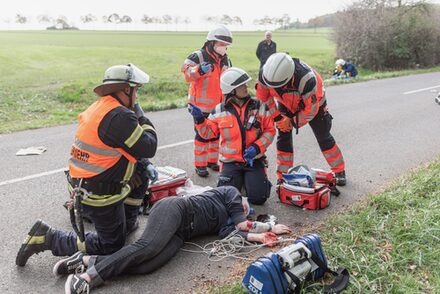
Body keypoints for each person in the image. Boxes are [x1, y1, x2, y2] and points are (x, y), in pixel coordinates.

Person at [16, 64, 159, 267]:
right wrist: (142, 117)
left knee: (141, 172)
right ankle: (48, 237)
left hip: (86, 183)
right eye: (136, 90)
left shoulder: (103, 107)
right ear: (126, 89)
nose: (137, 96)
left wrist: (143, 164)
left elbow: (126, 148)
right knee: (110, 246)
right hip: (97, 194)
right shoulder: (121, 116)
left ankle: (127, 223)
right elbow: (148, 146)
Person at [61, 186, 291, 293]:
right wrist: (268, 225)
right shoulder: (231, 194)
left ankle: (88, 260)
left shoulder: (229, 222)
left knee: (147, 266)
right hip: (177, 209)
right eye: (246, 209)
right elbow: (242, 224)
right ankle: (86, 278)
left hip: (182, 233)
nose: (245, 211)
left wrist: (262, 236)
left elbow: (235, 233)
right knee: (147, 247)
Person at [256, 53, 346, 186]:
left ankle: (339, 171)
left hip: (315, 104)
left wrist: (291, 123)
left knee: (323, 136)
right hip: (286, 102)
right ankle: (283, 176)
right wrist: (279, 118)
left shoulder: (307, 80)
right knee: (283, 137)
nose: (274, 88)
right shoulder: (265, 75)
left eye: (277, 86)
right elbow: (265, 99)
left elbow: (311, 110)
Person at [189, 67, 275, 205]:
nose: (246, 86)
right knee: (226, 198)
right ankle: (241, 183)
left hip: (254, 160)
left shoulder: (259, 106)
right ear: (231, 89)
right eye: (241, 85)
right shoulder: (218, 110)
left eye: (245, 83)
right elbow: (207, 134)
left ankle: (250, 183)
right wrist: (199, 120)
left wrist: (257, 148)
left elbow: (270, 131)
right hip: (230, 162)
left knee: (259, 198)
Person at [181, 24, 232, 178]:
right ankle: (200, 166)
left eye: (226, 45)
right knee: (202, 137)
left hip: (218, 106)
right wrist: (199, 70)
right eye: (222, 45)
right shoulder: (197, 56)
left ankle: (211, 161)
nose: (224, 48)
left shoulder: (225, 60)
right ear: (212, 43)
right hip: (200, 106)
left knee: (216, 135)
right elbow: (186, 75)